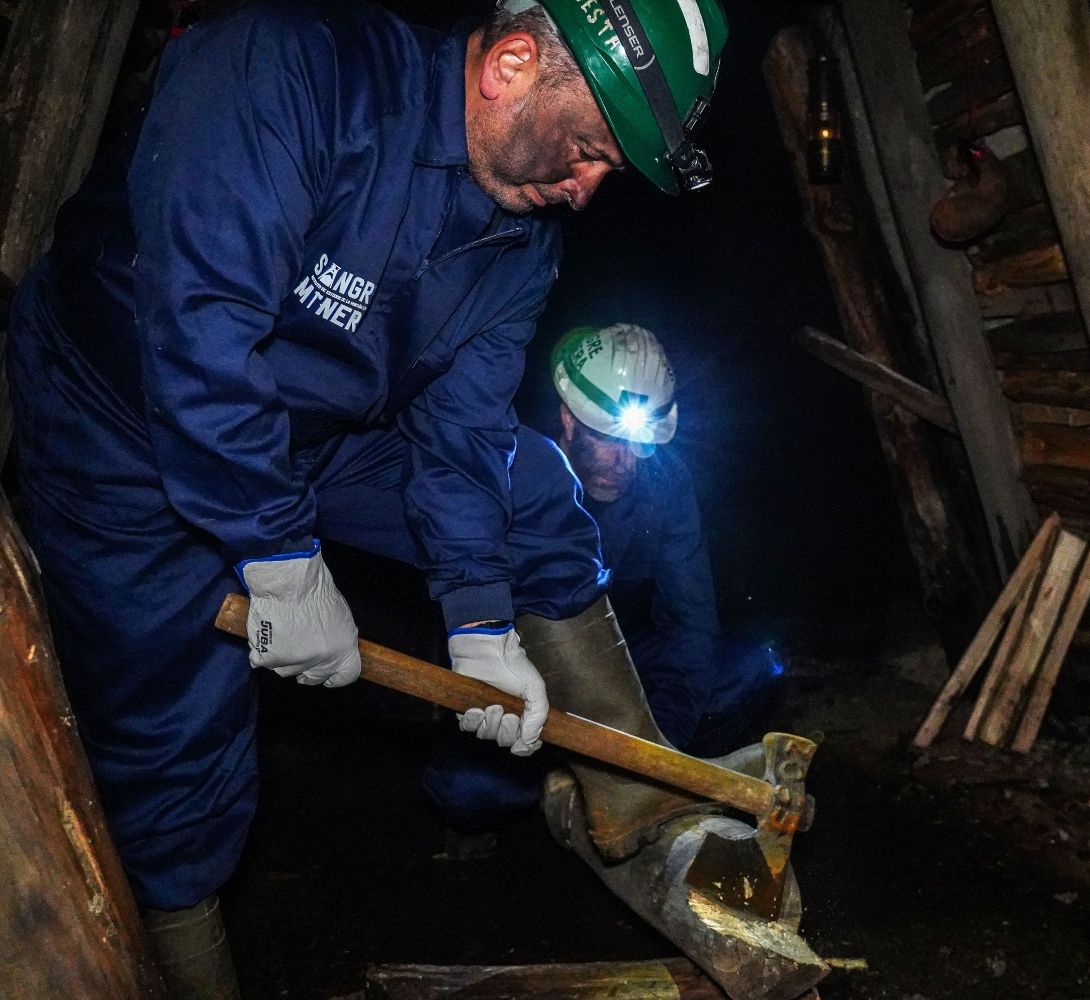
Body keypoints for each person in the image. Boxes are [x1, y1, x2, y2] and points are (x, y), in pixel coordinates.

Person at [5, 0, 734, 995]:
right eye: (586, 148)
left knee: (531, 490)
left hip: (322, 427)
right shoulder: (289, 73)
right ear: (512, 63)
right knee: (173, 733)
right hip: (120, 414)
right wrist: (280, 558)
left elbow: (464, 429)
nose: (585, 187)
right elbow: (202, 326)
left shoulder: (521, 241)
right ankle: (182, 966)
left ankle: (637, 806)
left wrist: (480, 619)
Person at [420, 324, 780, 834]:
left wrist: (652, 750)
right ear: (569, 418)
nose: (625, 462)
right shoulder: (504, 473)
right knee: (459, 789)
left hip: (625, 673)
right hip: (523, 679)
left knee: (753, 669)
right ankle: (562, 789)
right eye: (608, 439)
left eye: (639, 443)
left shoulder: (666, 482)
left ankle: (630, 781)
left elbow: (690, 622)